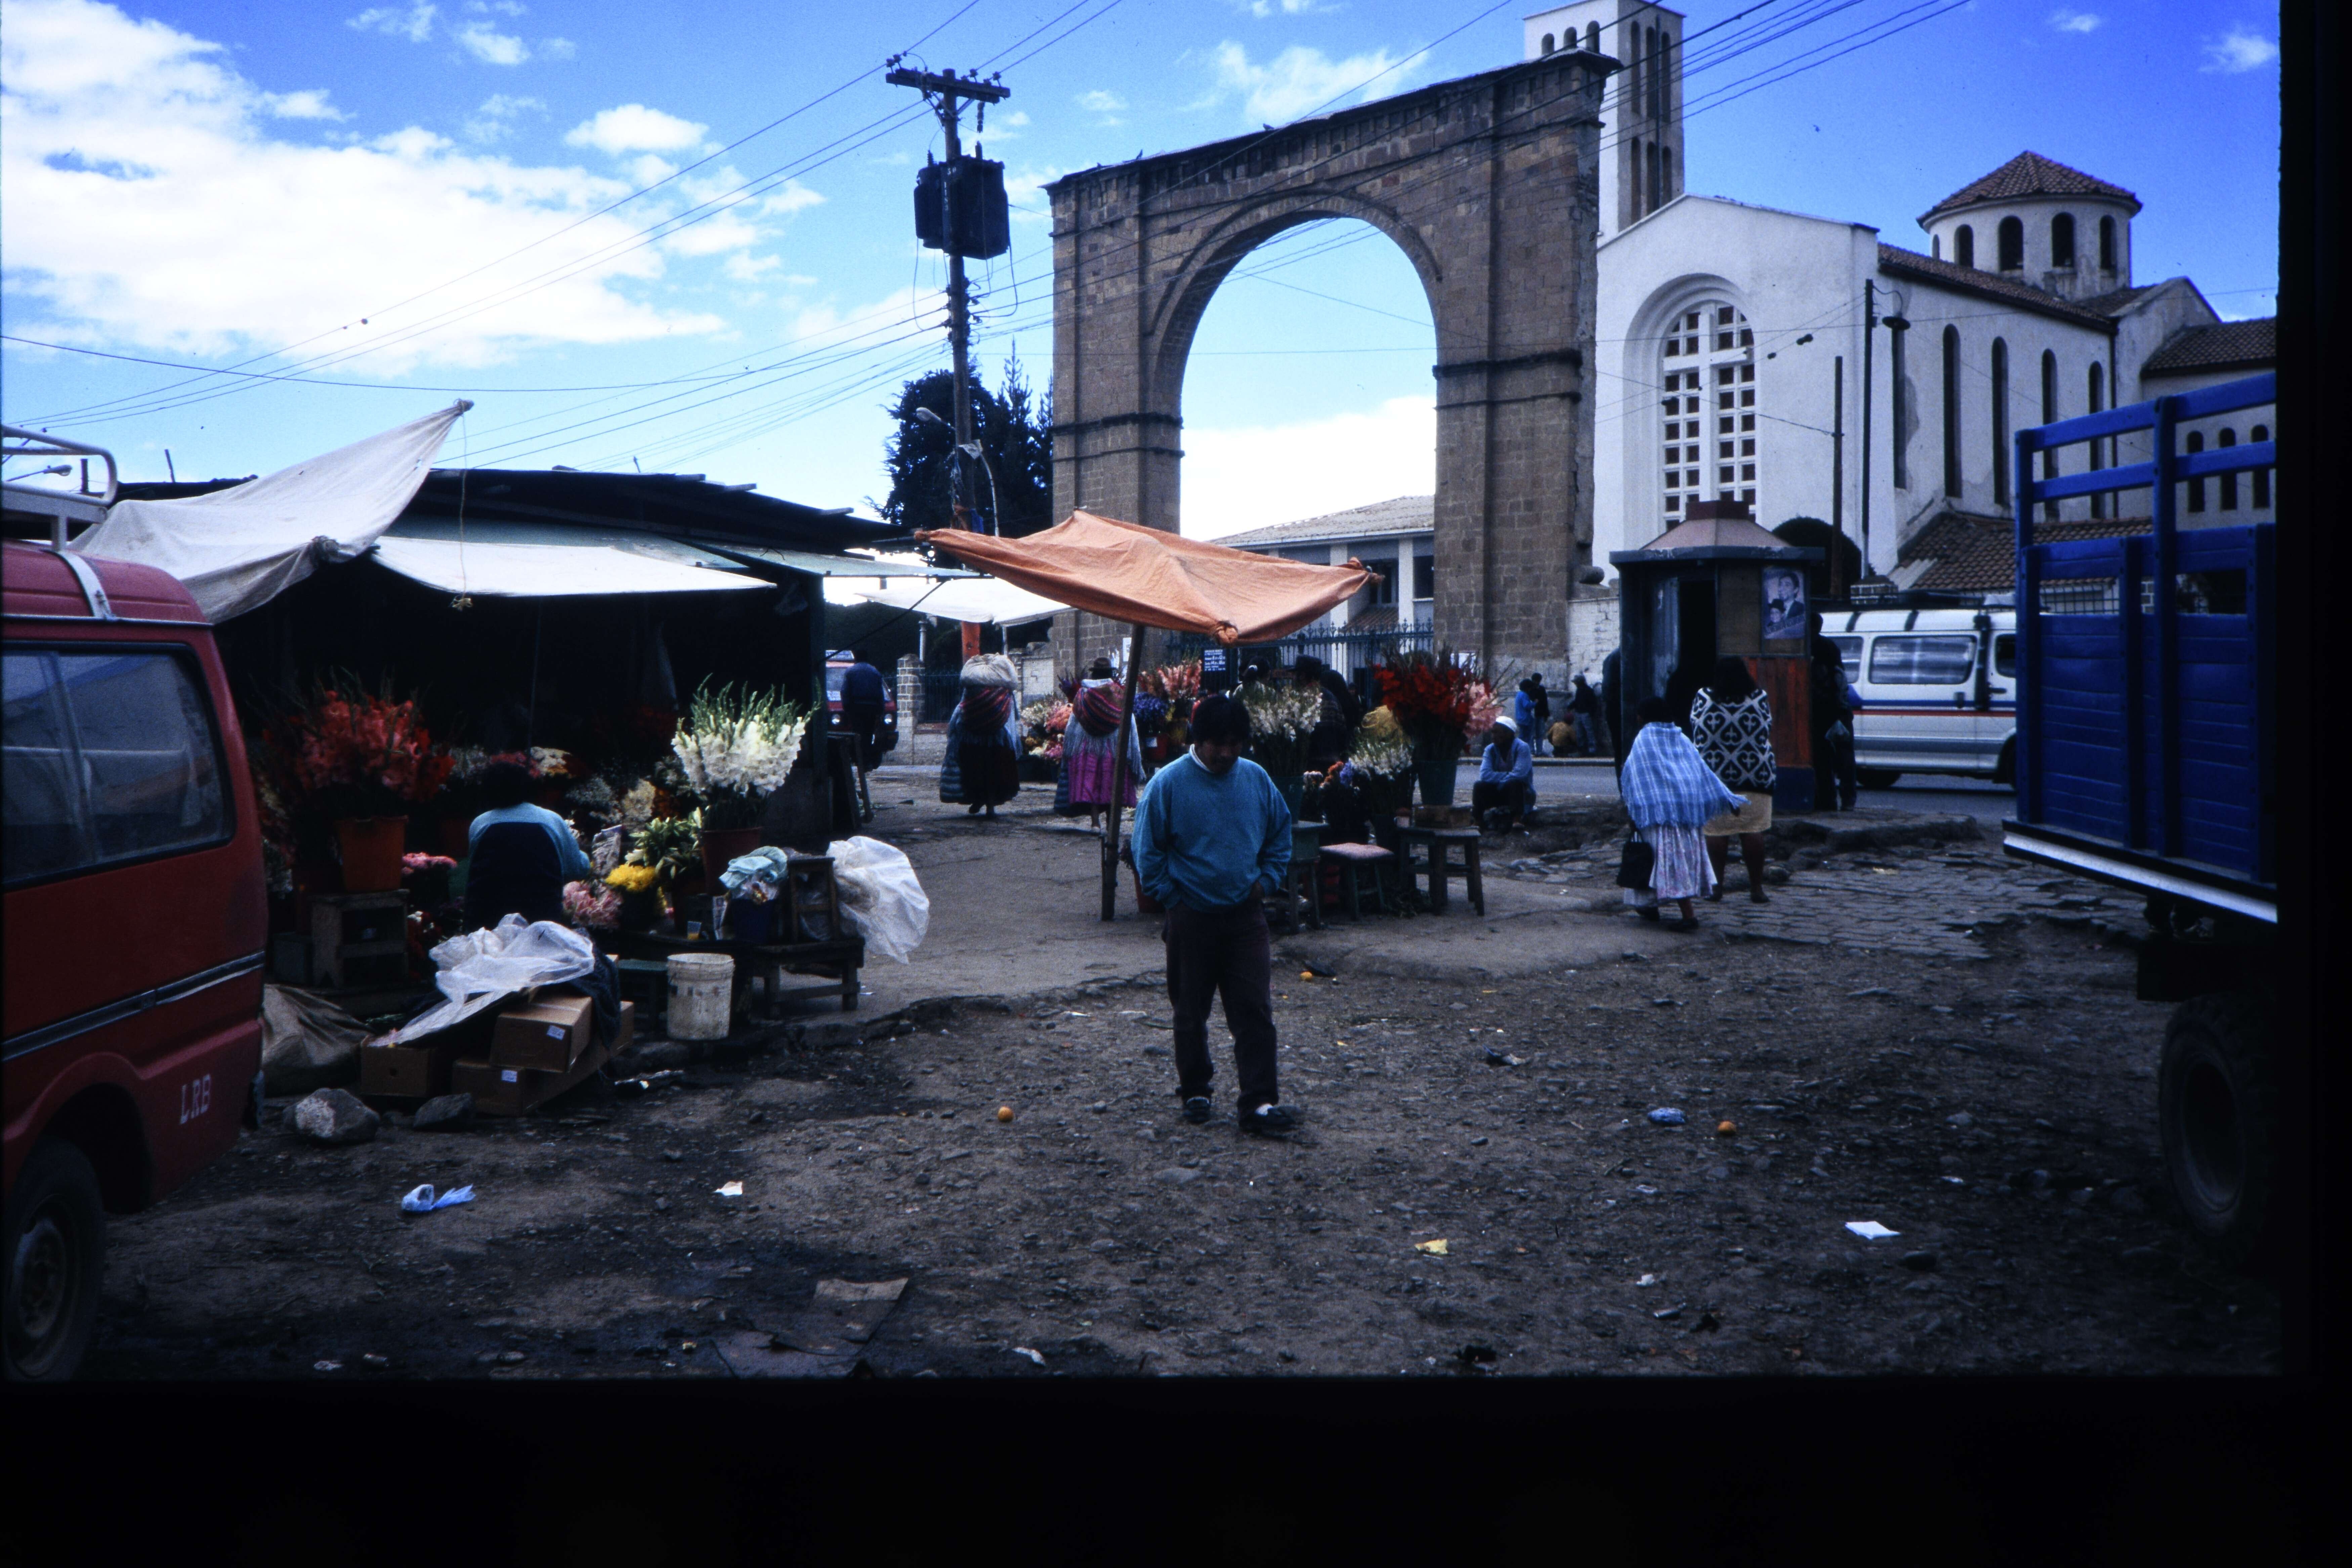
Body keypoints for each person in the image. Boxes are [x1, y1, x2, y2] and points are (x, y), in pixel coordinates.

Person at [1132, 693, 1298, 1137]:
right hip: (1191, 917)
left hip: (1246, 917)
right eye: (1217, 744)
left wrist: (1268, 879)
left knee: (1255, 1011)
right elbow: (1147, 851)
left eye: (1234, 744)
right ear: (1197, 739)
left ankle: (1259, 1102)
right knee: (1190, 1010)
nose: (1226, 753)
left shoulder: (1256, 779)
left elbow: (1281, 832)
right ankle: (1196, 1089)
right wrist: (1173, 898)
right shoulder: (1168, 784)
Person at [1620, 696, 1744, 932]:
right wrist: (1727, 798)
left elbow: (1636, 777)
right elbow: (1702, 771)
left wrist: (1633, 812)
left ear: (1643, 717)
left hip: (1659, 814)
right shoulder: (1682, 738)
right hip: (1686, 812)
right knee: (1671, 861)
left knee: (1663, 861)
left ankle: (1689, 916)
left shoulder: (1644, 739)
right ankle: (1648, 906)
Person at [464, 760, 592, 930]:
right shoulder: (551, 820)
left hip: (488, 924)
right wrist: (585, 854)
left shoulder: (480, 824)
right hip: (541, 923)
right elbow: (578, 869)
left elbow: (476, 875)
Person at [1689, 654, 1776, 905]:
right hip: (1756, 776)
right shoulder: (1759, 697)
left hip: (1714, 779)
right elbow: (1766, 728)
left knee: (1716, 831)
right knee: (1753, 829)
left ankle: (1716, 888)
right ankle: (1757, 889)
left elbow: (1697, 730)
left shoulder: (1704, 697)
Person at [1061, 655, 1143, 830]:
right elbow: (1129, 720)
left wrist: (1069, 747)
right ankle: (1111, 823)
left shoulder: (1083, 694)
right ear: (1110, 674)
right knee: (1112, 782)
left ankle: (1095, 823)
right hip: (1113, 746)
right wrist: (1133, 749)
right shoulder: (1118, 694)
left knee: (1092, 781)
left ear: (1094, 674)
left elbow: (1073, 722)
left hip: (1088, 745)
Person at [940, 654, 1021, 818]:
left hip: (972, 737)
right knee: (993, 772)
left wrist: (954, 732)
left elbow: (961, 710)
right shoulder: (1003, 691)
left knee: (974, 771)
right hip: (996, 738)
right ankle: (990, 807)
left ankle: (977, 800)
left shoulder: (971, 688)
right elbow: (1012, 716)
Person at [1806, 612, 1853, 811]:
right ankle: (1846, 800)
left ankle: (1829, 801)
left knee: (1825, 758)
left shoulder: (1814, 648)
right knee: (1843, 758)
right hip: (1838, 710)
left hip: (1825, 710)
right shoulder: (1829, 646)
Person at [839, 649, 886, 821]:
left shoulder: (850, 672)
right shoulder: (875, 672)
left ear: (856, 659)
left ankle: (858, 760)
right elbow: (880, 694)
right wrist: (880, 712)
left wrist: (847, 709)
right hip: (872, 709)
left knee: (857, 735)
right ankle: (866, 762)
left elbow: (845, 692)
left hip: (856, 708)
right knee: (867, 735)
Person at [1295, 654, 1361, 772]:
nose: (1293, 679)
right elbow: (1342, 731)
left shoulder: (1301, 699)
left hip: (1308, 765)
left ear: (1302, 676)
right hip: (1332, 764)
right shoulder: (1332, 698)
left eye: (1296, 674)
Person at [1472, 716, 1536, 831]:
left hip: (1520, 793)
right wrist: (1506, 778)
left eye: (1497, 733)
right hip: (1499, 790)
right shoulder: (1490, 750)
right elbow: (1485, 775)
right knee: (1479, 786)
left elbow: (1520, 775)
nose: (1493, 736)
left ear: (1509, 734)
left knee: (1515, 783)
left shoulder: (1522, 748)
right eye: (1493, 733)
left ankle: (1517, 819)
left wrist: (1501, 781)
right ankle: (1478, 821)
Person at [1569, 672, 1605, 756]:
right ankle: (1582, 749)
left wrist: (1591, 714)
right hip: (1580, 713)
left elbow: (1593, 704)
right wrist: (1571, 706)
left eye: (1576, 682)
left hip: (1586, 714)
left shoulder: (1588, 691)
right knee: (1580, 732)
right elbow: (1577, 701)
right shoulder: (1580, 690)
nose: (1575, 684)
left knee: (1589, 732)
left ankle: (1592, 750)